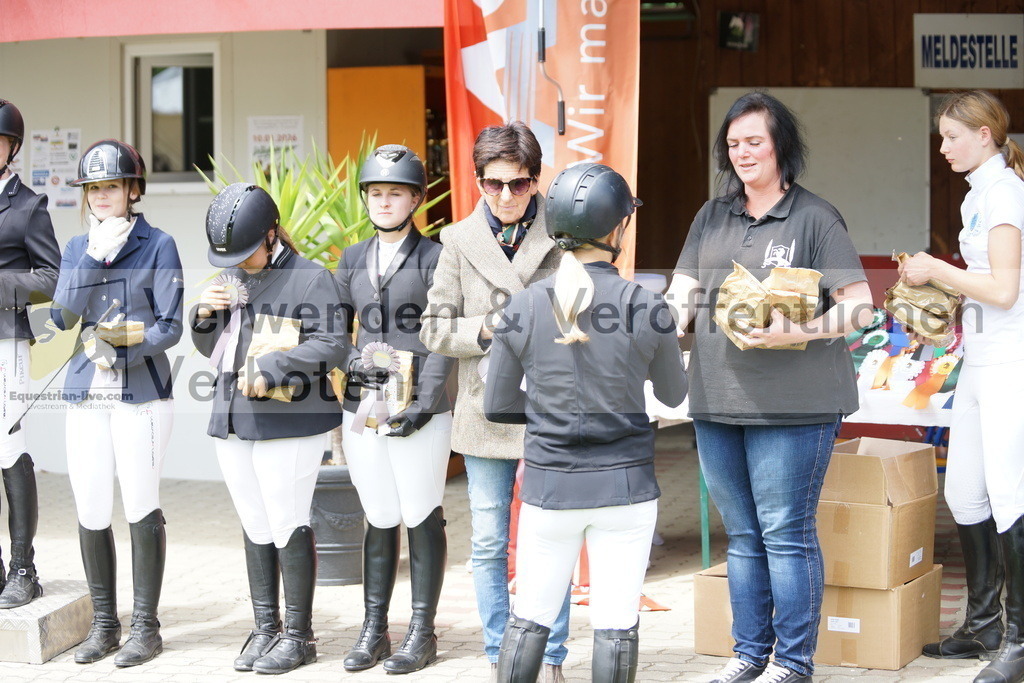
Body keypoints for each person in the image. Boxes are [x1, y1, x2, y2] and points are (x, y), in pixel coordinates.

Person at [667, 92, 874, 683]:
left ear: (780, 144)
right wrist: (640, 328)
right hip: (715, 402)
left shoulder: (814, 217)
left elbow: (859, 309)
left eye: (754, 141)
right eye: (732, 144)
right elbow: (680, 296)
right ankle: (748, 654)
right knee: (743, 537)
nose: (742, 153)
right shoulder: (712, 216)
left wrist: (798, 332)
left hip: (796, 409)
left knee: (785, 535)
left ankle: (793, 662)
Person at [484, 163, 687, 683]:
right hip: (626, 488)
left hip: (550, 489)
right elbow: (672, 394)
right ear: (617, 229)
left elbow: (498, 404)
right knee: (616, 624)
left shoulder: (523, 306)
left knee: (528, 619)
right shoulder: (647, 305)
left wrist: (551, 414)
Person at [420, 121, 570, 682]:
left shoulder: (562, 235)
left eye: (519, 183)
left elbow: (584, 312)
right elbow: (434, 328)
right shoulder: (457, 240)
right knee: (488, 541)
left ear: (536, 182)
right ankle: (497, 654)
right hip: (484, 411)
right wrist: (485, 329)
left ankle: (551, 656)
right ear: (477, 181)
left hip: (548, 407)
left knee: (547, 538)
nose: (506, 195)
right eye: (493, 184)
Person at [192, 182, 349, 675]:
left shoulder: (310, 277)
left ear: (271, 235)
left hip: (290, 421)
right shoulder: (230, 276)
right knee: (255, 523)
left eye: (246, 252)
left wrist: (275, 368)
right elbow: (211, 350)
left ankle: (299, 637)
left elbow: (333, 344)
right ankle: (265, 628)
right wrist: (203, 315)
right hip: (235, 417)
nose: (238, 262)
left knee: (286, 521)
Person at [898, 90, 1024, 683]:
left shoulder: (1005, 196)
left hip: (1010, 365)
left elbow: (1003, 290)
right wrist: (937, 312)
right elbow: (979, 293)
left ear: (985, 135)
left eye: (952, 136)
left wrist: (935, 269)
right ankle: (983, 626)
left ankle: (1018, 644)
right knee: (965, 493)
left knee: (1008, 497)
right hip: (980, 360)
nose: (943, 146)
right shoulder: (980, 195)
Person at [53, 139, 183, 666]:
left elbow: (170, 326)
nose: (102, 196)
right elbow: (62, 318)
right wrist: (89, 255)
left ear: (133, 190)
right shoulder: (74, 248)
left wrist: (123, 349)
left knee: (139, 502)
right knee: (88, 503)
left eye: (111, 186)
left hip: (141, 391)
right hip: (86, 392)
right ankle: (105, 624)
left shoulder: (159, 243)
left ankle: (146, 628)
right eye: (94, 189)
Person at [335, 144, 456, 675]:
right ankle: (373, 629)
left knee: (420, 511)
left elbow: (444, 335)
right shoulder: (350, 257)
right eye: (376, 193)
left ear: (415, 199)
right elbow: (331, 326)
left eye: (396, 193)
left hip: (420, 407)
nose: (384, 202)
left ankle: (422, 632)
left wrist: (425, 404)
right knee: (379, 513)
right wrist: (352, 362)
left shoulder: (437, 257)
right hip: (364, 406)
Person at [0, 99, 60, 609]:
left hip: (7, 338)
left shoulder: (28, 206)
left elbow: (51, 277)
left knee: (7, 446)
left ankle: (24, 568)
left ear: (11, 148)